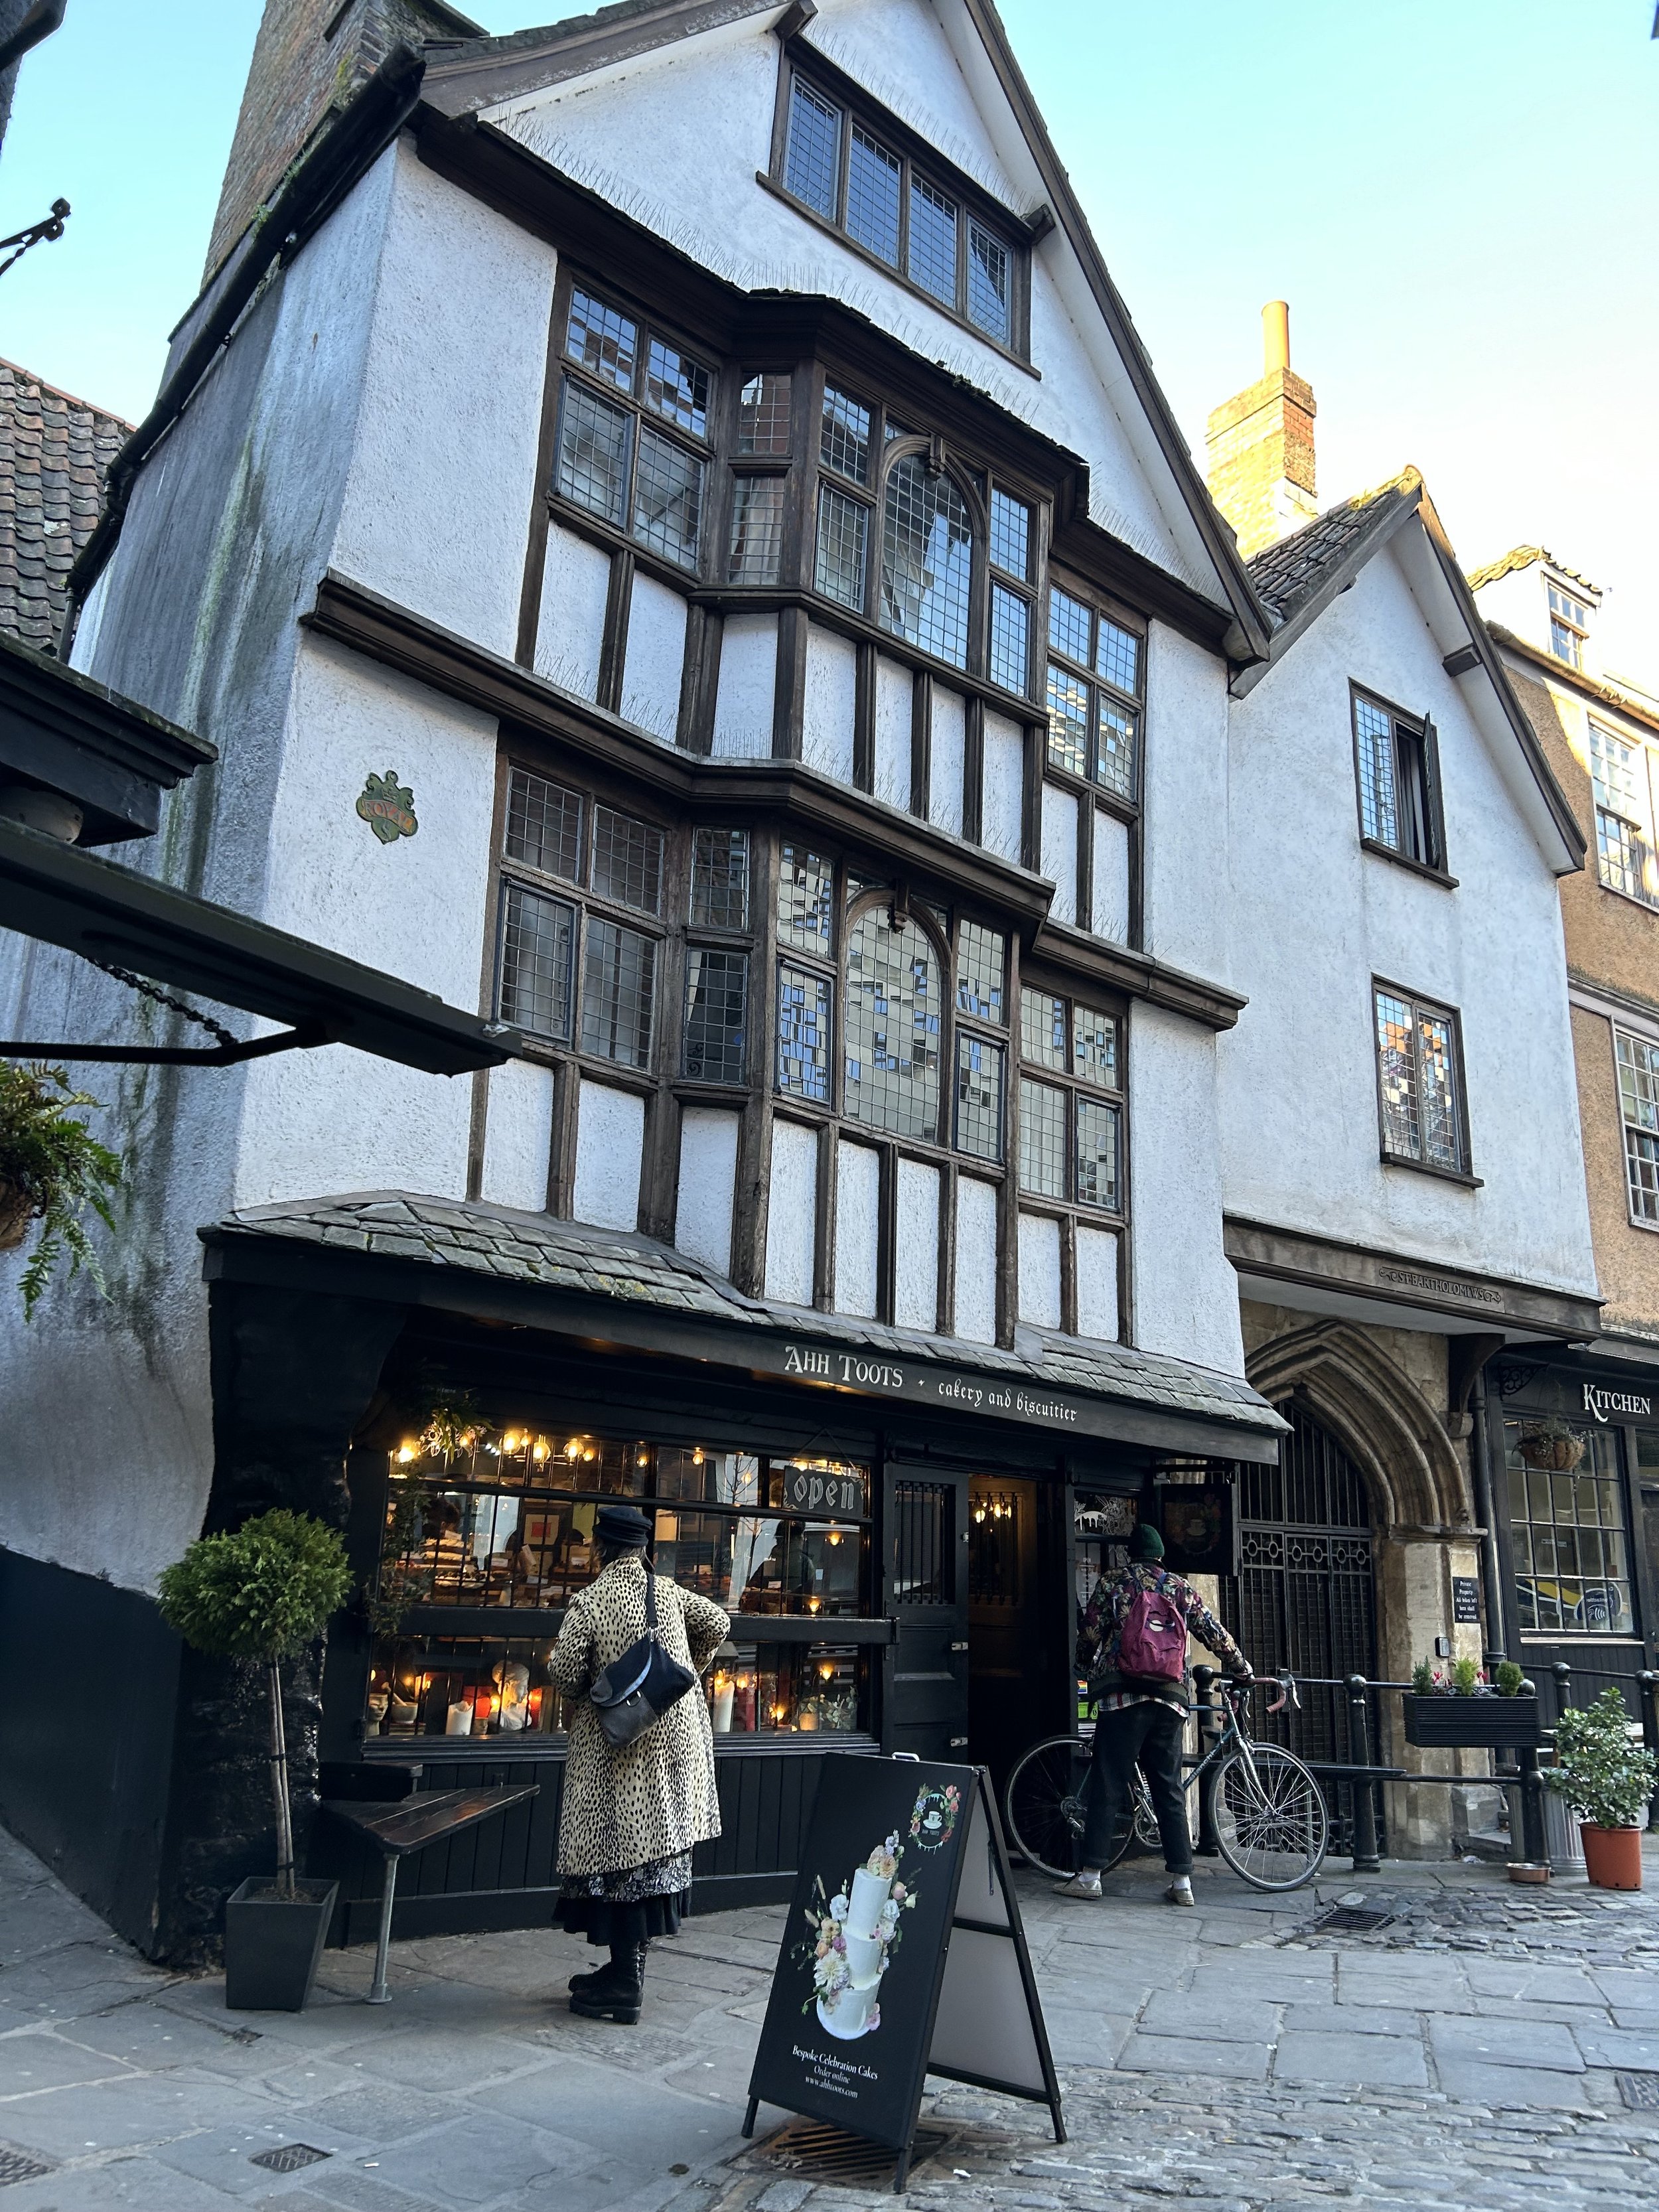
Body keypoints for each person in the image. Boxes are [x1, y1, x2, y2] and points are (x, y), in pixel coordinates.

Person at [549, 1502, 730, 2022]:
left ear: (600, 1547)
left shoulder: (591, 1599)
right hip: (677, 1746)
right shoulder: (668, 1591)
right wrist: (679, 1671)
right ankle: (621, 1973)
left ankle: (625, 1983)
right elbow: (718, 1621)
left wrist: (600, 1688)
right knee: (651, 1862)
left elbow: (564, 1673)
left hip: (619, 1751)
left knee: (621, 1862)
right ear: (643, 1548)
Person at [1058, 1522, 1253, 1907]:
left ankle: (1091, 1876)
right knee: (1168, 1788)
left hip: (1122, 1698)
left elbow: (1090, 1632)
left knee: (1108, 1782)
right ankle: (1182, 1882)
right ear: (1161, 1555)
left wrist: (1082, 1668)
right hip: (1170, 1700)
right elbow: (1213, 1632)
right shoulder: (1179, 1588)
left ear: (1131, 1554)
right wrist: (1242, 1669)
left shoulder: (1114, 1582)